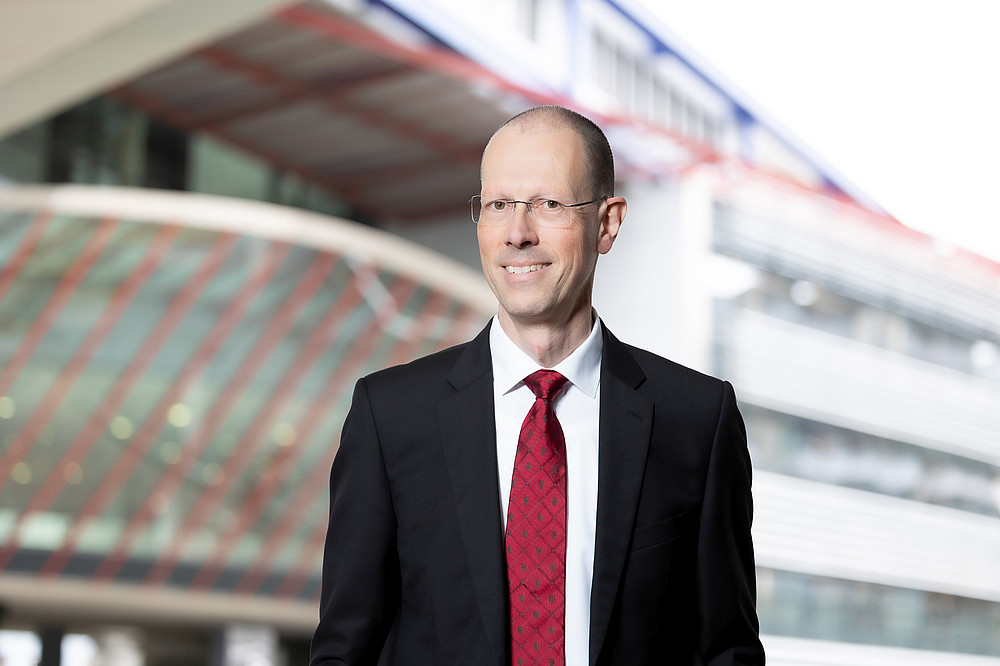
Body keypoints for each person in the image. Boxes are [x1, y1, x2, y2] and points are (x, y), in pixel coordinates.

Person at [309, 105, 764, 665]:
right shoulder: (391, 415)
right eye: (499, 206)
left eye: (548, 205)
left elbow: (726, 649)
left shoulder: (696, 419)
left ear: (608, 222)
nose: (517, 234)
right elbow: (345, 649)